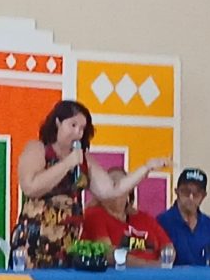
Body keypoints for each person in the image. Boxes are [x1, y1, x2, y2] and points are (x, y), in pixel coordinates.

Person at [13, 99, 169, 268]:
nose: (78, 133)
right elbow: (30, 187)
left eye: (82, 128)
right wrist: (67, 164)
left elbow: (112, 190)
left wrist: (146, 167)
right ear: (58, 122)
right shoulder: (38, 149)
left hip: (68, 244)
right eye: (73, 125)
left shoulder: (83, 159)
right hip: (34, 241)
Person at [82, 167, 175, 267]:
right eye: (110, 185)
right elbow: (108, 253)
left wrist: (164, 263)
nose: (113, 189)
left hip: (157, 273)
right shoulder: (95, 214)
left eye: (120, 184)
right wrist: (150, 266)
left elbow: (167, 245)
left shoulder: (144, 218)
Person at [157, 168, 210, 267]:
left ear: (203, 196)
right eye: (186, 192)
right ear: (177, 192)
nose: (191, 197)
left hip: (203, 277)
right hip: (172, 277)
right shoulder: (162, 222)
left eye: (196, 193)